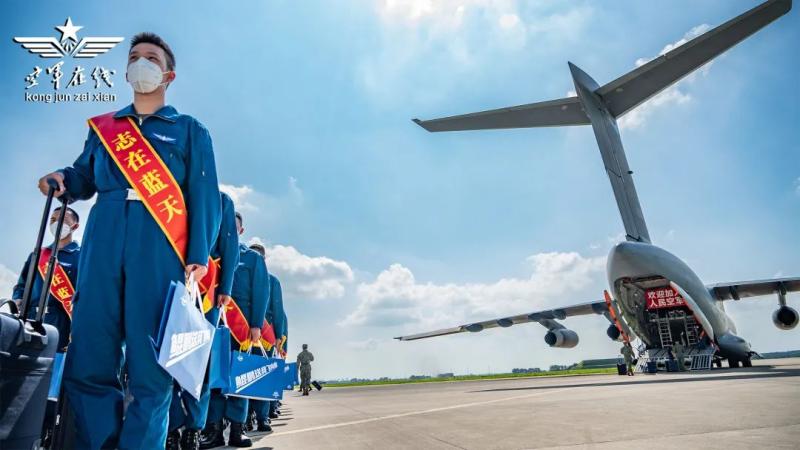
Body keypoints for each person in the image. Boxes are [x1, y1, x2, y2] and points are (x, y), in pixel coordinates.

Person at [37, 32, 221, 449]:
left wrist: (197, 256)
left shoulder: (189, 130)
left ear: (168, 74)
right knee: (88, 357)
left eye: (151, 58)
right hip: (103, 238)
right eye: (134, 57)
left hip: (158, 246)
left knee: (151, 367)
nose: (141, 62)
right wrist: (63, 180)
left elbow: (203, 194)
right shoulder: (106, 130)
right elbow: (83, 176)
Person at [167, 193, 239, 450]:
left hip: (205, 294)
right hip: (169, 283)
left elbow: (230, 246)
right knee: (167, 359)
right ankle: (173, 427)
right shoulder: (172, 187)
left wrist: (226, 288)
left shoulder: (221, 200)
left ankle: (194, 429)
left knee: (201, 366)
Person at [201, 212, 270, 449]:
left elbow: (261, 293)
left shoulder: (251, 259)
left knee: (239, 381)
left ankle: (237, 430)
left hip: (240, 330)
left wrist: (256, 325)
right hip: (213, 325)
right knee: (214, 379)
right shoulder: (208, 254)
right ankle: (214, 430)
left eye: (233, 226)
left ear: (240, 231)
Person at [12, 206, 81, 352]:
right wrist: (17, 298)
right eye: (53, 219)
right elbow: (21, 285)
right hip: (30, 318)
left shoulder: (81, 256)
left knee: (53, 367)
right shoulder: (38, 254)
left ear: (75, 226)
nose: (56, 223)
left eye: (63, 220)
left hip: (61, 323)